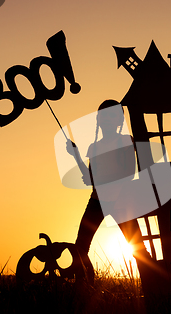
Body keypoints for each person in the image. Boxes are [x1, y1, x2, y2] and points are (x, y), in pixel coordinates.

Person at [66, 99, 136, 281]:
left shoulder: (126, 142)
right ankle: (85, 282)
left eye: (112, 116)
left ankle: (153, 285)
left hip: (121, 201)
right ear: (98, 120)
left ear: (120, 120)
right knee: (80, 245)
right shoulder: (94, 147)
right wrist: (76, 156)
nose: (107, 120)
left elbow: (129, 172)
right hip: (97, 201)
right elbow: (90, 179)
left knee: (137, 247)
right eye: (104, 116)